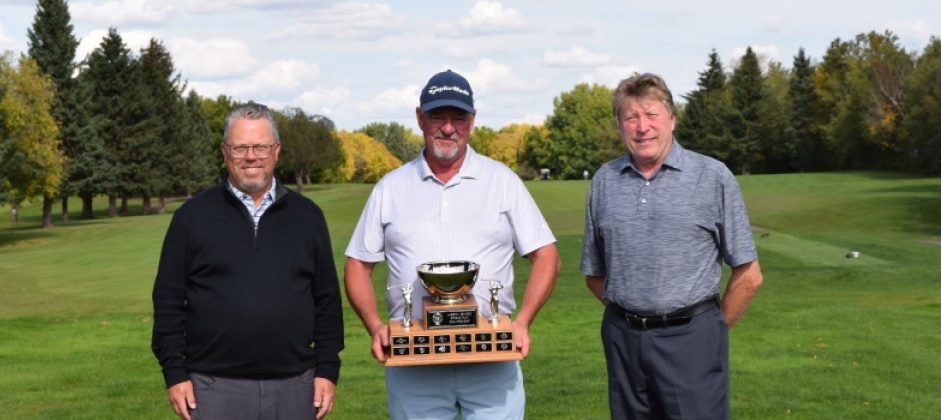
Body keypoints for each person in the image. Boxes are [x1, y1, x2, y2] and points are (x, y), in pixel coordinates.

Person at [344, 69, 560, 420]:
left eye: (458, 118)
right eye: (437, 117)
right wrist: (375, 326)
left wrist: (521, 323)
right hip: (414, 361)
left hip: (491, 359)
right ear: (419, 118)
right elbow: (357, 264)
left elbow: (547, 255)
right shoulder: (391, 186)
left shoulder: (502, 181)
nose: (448, 128)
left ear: (472, 121)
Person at [580, 73, 763, 419]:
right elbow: (594, 274)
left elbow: (749, 274)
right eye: (631, 117)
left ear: (672, 119)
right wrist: (635, 312)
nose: (642, 127)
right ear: (620, 125)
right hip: (624, 344)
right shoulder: (604, 181)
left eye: (651, 115)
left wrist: (711, 332)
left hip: (692, 341)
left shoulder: (712, 176)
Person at [151, 102, 344, 420]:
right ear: (225, 151)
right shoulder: (192, 217)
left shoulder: (307, 216)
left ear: (276, 150)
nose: (251, 156)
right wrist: (175, 372)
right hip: (212, 388)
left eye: (260, 147)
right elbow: (168, 301)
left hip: (296, 386)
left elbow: (326, 301)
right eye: (240, 147)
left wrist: (326, 369)